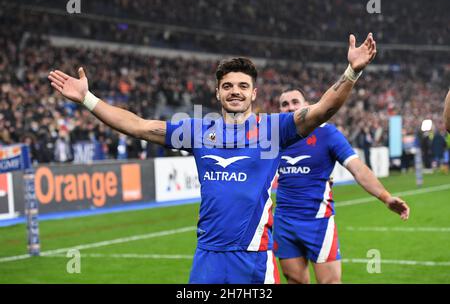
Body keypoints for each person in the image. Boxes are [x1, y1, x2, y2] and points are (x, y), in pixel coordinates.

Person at [48, 33, 377, 284]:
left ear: (254, 93)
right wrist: (87, 99)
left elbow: (322, 109)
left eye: (243, 86)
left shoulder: (274, 129)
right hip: (207, 256)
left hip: (253, 258)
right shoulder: (197, 131)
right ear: (217, 92)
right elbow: (138, 126)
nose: (235, 91)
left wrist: (351, 72)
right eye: (228, 85)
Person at [273, 89, 410, 284]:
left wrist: (386, 197)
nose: (290, 107)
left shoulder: (327, 133)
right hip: (284, 221)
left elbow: (359, 169)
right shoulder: (274, 138)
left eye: (295, 102)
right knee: (294, 280)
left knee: (330, 282)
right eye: (284, 104)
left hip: (318, 222)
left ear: (307, 105)